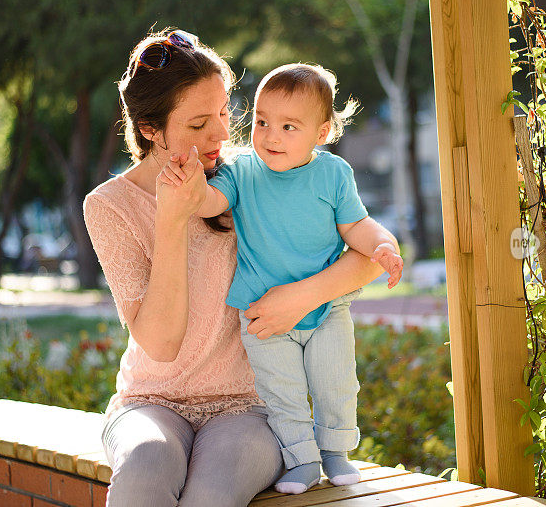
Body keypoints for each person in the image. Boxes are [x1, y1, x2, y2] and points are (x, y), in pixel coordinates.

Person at [83, 30, 383, 506]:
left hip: (250, 404)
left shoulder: (256, 170)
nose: (223, 134)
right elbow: (160, 344)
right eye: (200, 123)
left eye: (225, 112)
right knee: (144, 471)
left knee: (211, 496)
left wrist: (297, 300)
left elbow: (370, 254)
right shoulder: (110, 206)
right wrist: (173, 217)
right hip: (151, 402)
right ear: (149, 129)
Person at [158, 63, 403, 495]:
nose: (271, 136)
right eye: (262, 122)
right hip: (262, 312)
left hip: (327, 308)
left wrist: (382, 245)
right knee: (282, 393)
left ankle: (336, 452)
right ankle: (302, 458)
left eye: (289, 126)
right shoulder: (244, 171)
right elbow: (213, 201)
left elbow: (357, 226)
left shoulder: (333, 175)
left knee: (336, 380)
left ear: (322, 132)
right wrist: (192, 190)